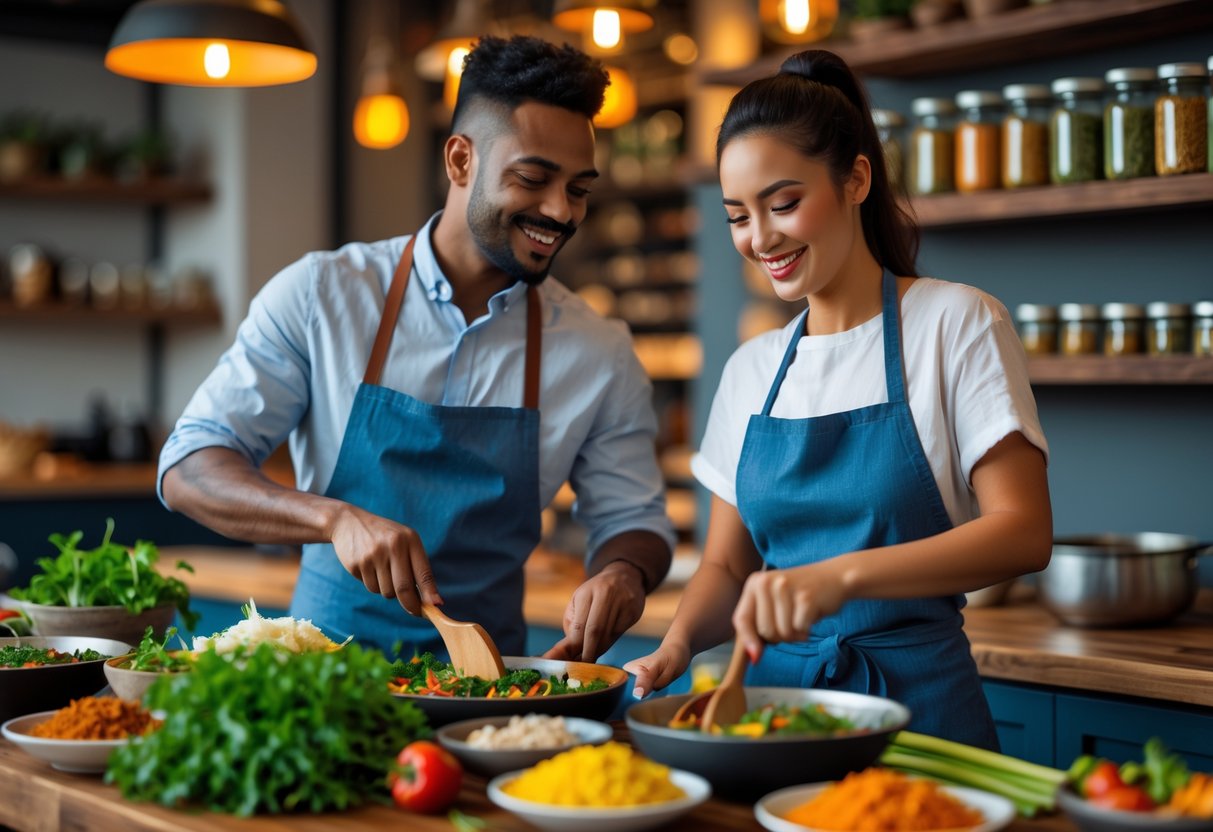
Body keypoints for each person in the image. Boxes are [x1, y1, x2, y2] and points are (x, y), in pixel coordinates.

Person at [158, 35, 674, 662]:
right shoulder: (323, 295)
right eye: (534, 179)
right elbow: (190, 469)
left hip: (489, 688)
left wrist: (623, 573)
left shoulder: (599, 351)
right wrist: (333, 519)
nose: (560, 210)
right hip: (320, 680)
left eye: (579, 189)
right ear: (460, 162)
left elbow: (635, 522)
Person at [623, 50, 1051, 748]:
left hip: (920, 718)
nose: (759, 238)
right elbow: (728, 566)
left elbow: (1023, 531)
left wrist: (838, 578)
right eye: (738, 215)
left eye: (782, 203)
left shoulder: (955, 323)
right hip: (774, 718)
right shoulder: (750, 369)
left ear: (855, 179)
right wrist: (676, 645)